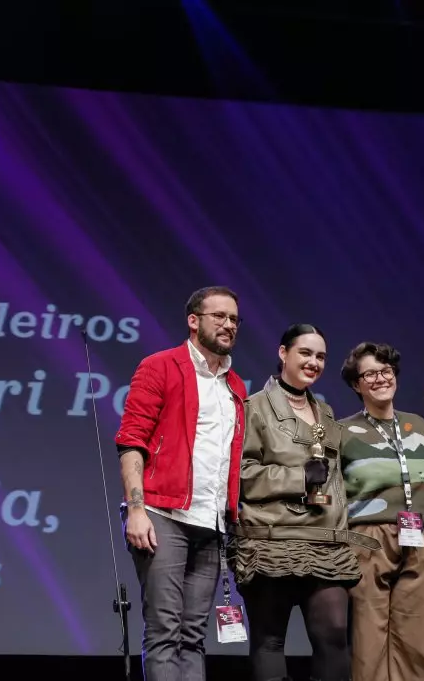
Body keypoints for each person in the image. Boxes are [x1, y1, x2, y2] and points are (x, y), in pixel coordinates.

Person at [114, 286, 249, 681]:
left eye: (234, 319)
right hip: (162, 516)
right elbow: (131, 441)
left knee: (193, 636)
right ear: (194, 321)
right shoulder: (161, 366)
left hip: (211, 524)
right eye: (219, 316)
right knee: (164, 633)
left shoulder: (235, 386)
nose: (229, 325)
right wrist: (136, 509)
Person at [232, 324, 379, 681]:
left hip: (325, 543)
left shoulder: (326, 413)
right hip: (271, 541)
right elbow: (241, 475)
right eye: (305, 353)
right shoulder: (254, 408)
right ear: (283, 353)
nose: (313, 362)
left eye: (321, 356)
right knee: (269, 641)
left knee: (333, 639)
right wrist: (297, 479)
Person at [338, 342, 424, 681]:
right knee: (369, 641)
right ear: (357, 384)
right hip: (367, 538)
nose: (381, 378)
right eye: (370, 373)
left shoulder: (420, 426)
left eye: (386, 371)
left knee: (419, 639)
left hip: (418, 537)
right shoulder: (341, 431)